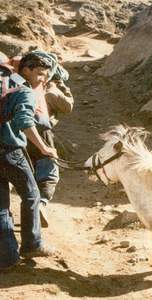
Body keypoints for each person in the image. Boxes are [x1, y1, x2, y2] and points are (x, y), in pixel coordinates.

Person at [0, 53, 57, 270]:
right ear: (27, 69)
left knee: (2, 206)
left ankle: (6, 257)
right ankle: (32, 244)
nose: (43, 80)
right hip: (10, 151)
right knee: (32, 195)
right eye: (41, 74)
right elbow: (25, 121)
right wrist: (44, 148)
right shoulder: (21, 88)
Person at [24, 51, 73, 227]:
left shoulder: (15, 80)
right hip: (41, 133)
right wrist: (60, 87)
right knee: (48, 172)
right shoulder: (47, 87)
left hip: (15, 136)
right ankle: (41, 205)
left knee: (23, 176)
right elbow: (68, 107)